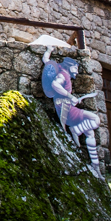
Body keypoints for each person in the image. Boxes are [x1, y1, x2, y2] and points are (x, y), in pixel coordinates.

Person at [41, 45, 101, 178]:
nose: (77, 71)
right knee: (95, 120)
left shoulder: (59, 69)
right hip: (66, 110)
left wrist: (49, 51)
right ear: (70, 66)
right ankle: (76, 130)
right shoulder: (64, 75)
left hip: (66, 108)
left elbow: (46, 61)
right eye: (76, 68)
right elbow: (55, 85)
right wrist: (70, 96)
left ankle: (96, 168)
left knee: (90, 133)